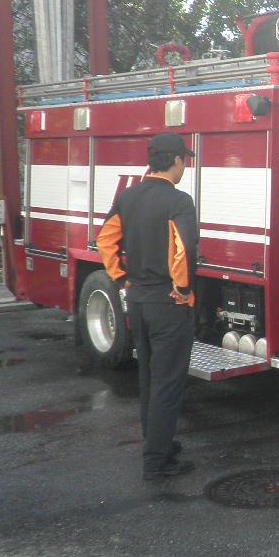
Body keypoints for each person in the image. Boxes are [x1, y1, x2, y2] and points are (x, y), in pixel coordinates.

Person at [97, 133, 200, 480]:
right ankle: (157, 460)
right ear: (176, 160)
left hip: (138, 300)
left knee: (150, 376)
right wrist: (183, 289)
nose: (185, 166)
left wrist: (120, 276)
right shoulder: (179, 201)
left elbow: (105, 239)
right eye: (184, 160)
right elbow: (183, 248)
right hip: (168, 303)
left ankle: (159, 442)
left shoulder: (128, 196)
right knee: (168, 381)